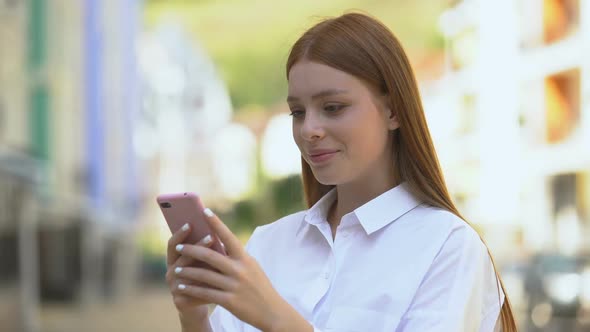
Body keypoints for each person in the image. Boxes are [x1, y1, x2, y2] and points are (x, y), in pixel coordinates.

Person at [165, 12, 517, 332]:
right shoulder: (268, 244)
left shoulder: (448, 246)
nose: (309, 130)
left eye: (333, 108)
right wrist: (194, 317)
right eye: (297, 112)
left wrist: (274, 317)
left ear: (393, 111)